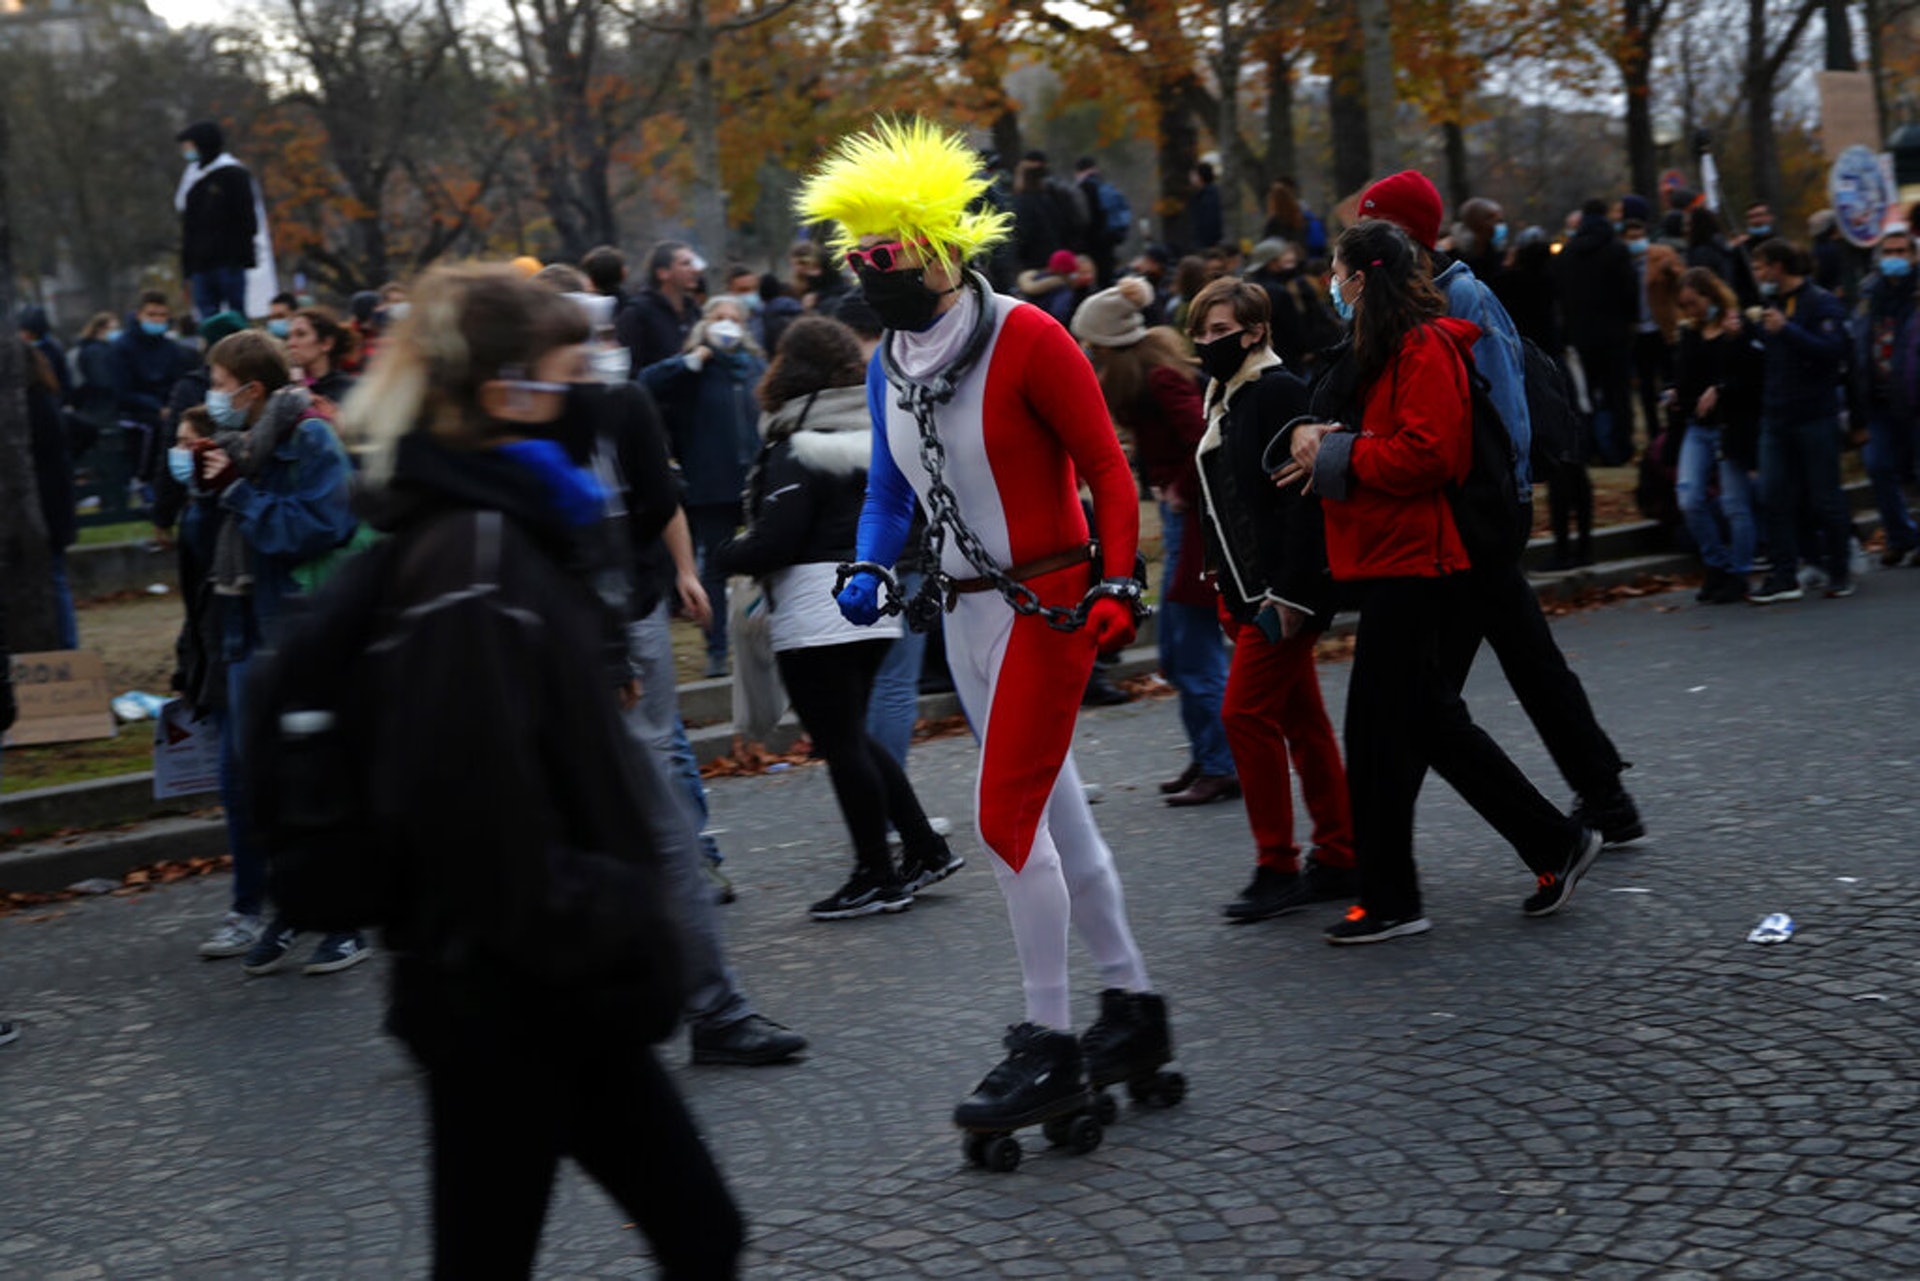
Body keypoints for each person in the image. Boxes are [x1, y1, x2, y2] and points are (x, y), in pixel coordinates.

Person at [333, 264, 743, 1275]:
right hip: (524, 986)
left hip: (502, 981)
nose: (586, 393)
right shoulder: (471, 560)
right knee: (696, 1231)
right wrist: (613, 926)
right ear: (506, 390)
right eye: (569, 373)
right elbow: (471, 801)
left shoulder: (497, 532)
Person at [804, 118, 1177, 1134]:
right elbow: (888, 484)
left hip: (1046, 610)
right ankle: (1133, 1005)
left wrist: (1118, 578)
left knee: (1005, 820)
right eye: (856, 257)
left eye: (885, 254)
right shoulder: (889, 362)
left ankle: (1050, 1042)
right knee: (1060, 821)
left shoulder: (1030, 335)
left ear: (939, 248)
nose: (869, 272)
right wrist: (871, 565)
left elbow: (1107, 464)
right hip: (964, 619)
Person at [1279, 219, 1603, 944]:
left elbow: (1430, 455)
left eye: (1337, 274)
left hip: (1417, 562)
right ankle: (1540, 847)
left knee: (1386, 732)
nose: (1332, 287)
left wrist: (1339, 457)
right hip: (1394, 559)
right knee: (1420, 725)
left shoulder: (1424, 346)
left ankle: (1398, 896)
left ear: (1362, 277)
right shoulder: (1389, 346)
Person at [1352, 173, 1642, 851]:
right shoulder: (1411, 297)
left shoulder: (1460, 297)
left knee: (1426, 690)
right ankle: (1604, 796)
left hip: (1470, 514)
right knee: (1510, 663)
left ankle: (1375, 840)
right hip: (1463, 513)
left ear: (1404, 235)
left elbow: (1504, 410)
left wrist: (1505, 507)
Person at [713, 317, 962, 918]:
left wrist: (721, 556)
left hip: (814, 603)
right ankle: (923, 848)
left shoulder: (797, 443)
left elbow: (778, 539)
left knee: (840, 740)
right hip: (871, 597)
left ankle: (875, 872)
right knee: (855, 735)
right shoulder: (873, 429)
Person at [1176, 277, 1359, 919]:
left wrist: (1286, 596)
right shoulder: (1228, 394)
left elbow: (1298, 502)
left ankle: (1277, 865)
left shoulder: (1275, 390)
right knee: (1301, 722)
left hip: (1284, 596)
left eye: (1220, 331)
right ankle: (1340, 854)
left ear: (1256, 332)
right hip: (1254, 591)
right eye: (1200, 333)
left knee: (1244, 717)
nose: (1207, 344)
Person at [188, 331, 362, 972]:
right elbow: (210, 543)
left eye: (218, 379)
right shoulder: (240, 445)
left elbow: (322, 524)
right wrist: (207, 495)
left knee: (312, 775)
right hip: (241, 628)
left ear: (250, 389)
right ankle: (288, 907)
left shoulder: (309, 437)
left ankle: (345, 918)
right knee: (254, 781)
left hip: (296, 624)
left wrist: (236, 493)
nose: (213, 393)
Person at [1072, 278, 1237, 807]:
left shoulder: (1160, 378)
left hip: (1195, 522)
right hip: (1181, 517)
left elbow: (1206, 443)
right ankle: (1210, 751)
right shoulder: (1143, 374)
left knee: (1193, 647)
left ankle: (1222, 761)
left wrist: (1180, 492)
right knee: (1177, 646)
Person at [640, 296, 766, 678]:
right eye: (719, 318)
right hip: (711, 481)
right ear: (705, 323)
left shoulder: (754, 366)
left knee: (767, 561)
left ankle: (767, 644)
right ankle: (715, 648)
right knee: (715, 563)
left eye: (734, 319)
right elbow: (647, 383)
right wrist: (690, 362)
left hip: (756, 478)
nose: (727, 324)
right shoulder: (691, 370)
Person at [1748, 239, 1855, 602]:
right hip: (1776, 415)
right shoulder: (1771, 305)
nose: (1757, 274)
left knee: (1825, 497)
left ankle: (1839, 569)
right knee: (1773, 495)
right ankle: (1783, 573)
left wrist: (1787, 330)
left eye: (1761, 267)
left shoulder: (1820, 302)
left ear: (1779, 267)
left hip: (1814, 416)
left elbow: (1833, 352)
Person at [1670, 267, 1764, 602]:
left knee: (1735, 504)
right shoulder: (1690, 333)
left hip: (1729, 425)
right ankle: (1716, 564)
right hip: (1698, 425)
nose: (1690, 311)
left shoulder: (1737, 327)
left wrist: (1721, 388)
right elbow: (1684, 377)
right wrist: (1675, 394)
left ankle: (1739, 572)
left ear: (1710, 296)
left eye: (1694, 303)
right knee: (1690, 497)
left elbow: (1751, 377)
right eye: (1685, 305)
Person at [1555, 199, 1639, 465]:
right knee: (1618, 394)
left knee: (1585, 395)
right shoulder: (1617, 250)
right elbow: (1629, 291)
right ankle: (1620, 446)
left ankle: (1589, 447)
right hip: (1615, 334)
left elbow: (1561, 297)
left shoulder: (1568, 254)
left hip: (1581, 335)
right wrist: (1630, 321)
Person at [1855, 228, 1920, 568]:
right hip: (1878, 400)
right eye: (1888, 252)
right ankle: (1899, 536)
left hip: (1913, 399)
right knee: (1878, 466)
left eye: (1901, 251)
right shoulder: (1870, 293)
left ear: (1913, 256)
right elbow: (1859, 339)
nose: (1894, 258)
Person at [174, 122, 262, 320]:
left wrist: (240, 256)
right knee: (208, 319)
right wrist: (188, 268)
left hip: (229, 262)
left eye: (188, 145)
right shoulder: (193, 182)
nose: (186, 151)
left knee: (235, 315)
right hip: (201, 265)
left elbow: (247, 219)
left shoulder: (233, 175)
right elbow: (189, 229)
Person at [618, 240, 702, 376]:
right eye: (686, 264)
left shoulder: (695, 312)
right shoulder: (638, 314)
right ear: (663, 273)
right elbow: (630, 371)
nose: (695, 270)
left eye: (694, 263)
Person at [284, 306, 358, 411]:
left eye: (301, 334)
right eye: (289, 336)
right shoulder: (286, 389)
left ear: (326, 343)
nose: (291, 343)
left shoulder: (350, 390)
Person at [1186, 162, 1223, 254]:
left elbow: (1209, 222)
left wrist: (1206, 245)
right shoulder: (1201, 195)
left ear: (1200, 177)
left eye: (1193, 175)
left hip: (1207, 246)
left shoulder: (1210, 196)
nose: (1190, 179)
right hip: (1203, 245)